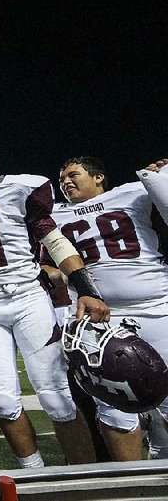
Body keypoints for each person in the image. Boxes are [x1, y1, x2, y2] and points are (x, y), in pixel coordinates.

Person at [0, 140, 105, 467]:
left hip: (28, 297)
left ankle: (85, 477)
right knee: (4, 401)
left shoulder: (22, 187)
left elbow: (53, 239)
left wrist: (85, 287)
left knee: (57, 396)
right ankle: (33, 475)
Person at [45, 156, 168, 461]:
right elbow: (53, 264)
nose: (66, 182)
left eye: (73, 175)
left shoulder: (133, 192)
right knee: (114, 405)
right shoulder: (53, 214)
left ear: (98, 177)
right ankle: (132, 484)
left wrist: (161, 174)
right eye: (61, 180)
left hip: (157, 306)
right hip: (100, 318)